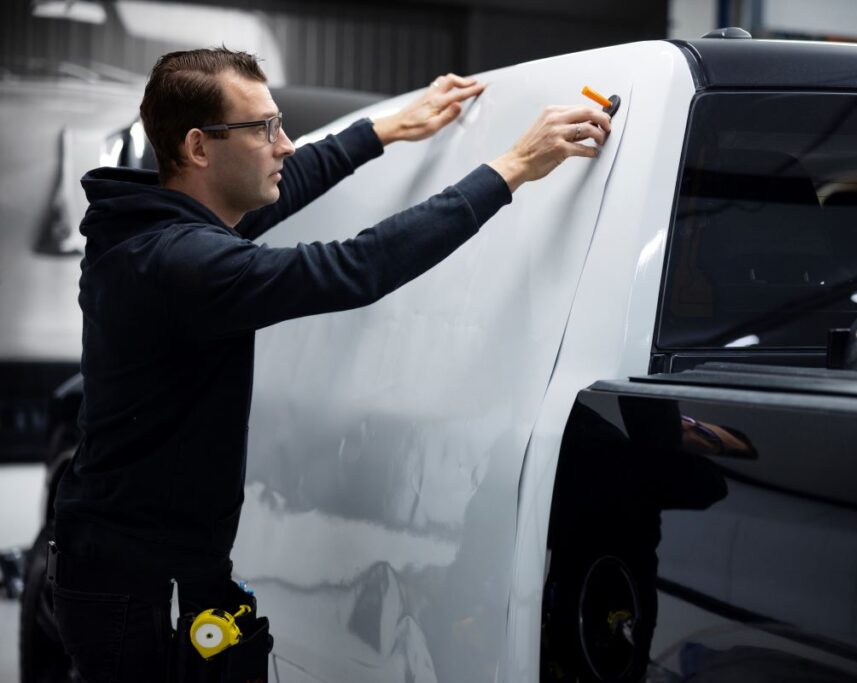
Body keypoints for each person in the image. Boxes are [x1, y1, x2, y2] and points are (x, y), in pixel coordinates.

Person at [49, 47, 610, 682]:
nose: (284, 144)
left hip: (134, 569)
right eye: (264, 129)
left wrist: (385, 128)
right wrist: (511, 166)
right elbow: (356, 268)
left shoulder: (154, 230)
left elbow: (286, 187)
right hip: (139, 594)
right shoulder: (177, 265)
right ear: (199, 148)